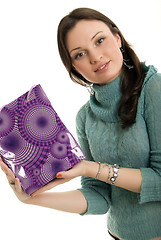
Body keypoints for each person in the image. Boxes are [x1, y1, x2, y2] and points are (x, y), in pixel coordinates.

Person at [0, 7, 161, 240]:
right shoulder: (85, 117)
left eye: (100, 40)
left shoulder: (153, 89)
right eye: (79, 54)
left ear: (117, 38)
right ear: (74, 67)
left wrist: (90, 168)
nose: (95, 57)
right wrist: (33, 199)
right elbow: (99, 195)